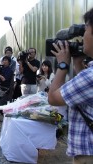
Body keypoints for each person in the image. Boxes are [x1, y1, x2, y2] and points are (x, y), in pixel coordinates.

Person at [48, 8, 93, 163]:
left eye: (85, 29)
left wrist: (62, 65)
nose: (82, 37)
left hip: (88, 154)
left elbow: (53, 98)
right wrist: (78, 63)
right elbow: (86, 95)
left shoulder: (91, 76)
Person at [0, 56, 14, 122]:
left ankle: (6, 118)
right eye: (3, 60)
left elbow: (4, 79)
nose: (4, 61)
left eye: (6, 60)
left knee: (0, 105)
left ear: (9, 62)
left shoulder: (10, 70)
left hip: (6, 90)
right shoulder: (1, 69)